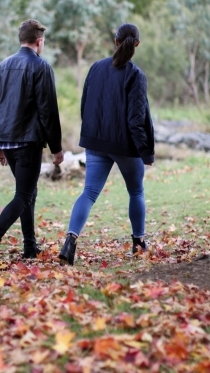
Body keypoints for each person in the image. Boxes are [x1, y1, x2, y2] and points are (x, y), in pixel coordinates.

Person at [59, 23, 154, 266]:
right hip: (124, 146)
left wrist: (92, 134)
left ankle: (70, 241)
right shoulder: (136, 75)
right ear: (137, 45)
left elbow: (85, 106)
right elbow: (136, 119)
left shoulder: (96, 68)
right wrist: (145, 152)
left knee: (89, 193)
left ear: (115, 41)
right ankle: (138, 242)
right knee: (136, 191)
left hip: (96, 142)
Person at [0, 19, 64, 264]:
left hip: (8, 141)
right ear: (39, 41)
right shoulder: (41, 67)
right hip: (28, 143)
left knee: (29, 192)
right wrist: (56, 147)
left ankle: (29, 246)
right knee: (24, 195)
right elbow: (48, 110)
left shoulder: (2, 67)